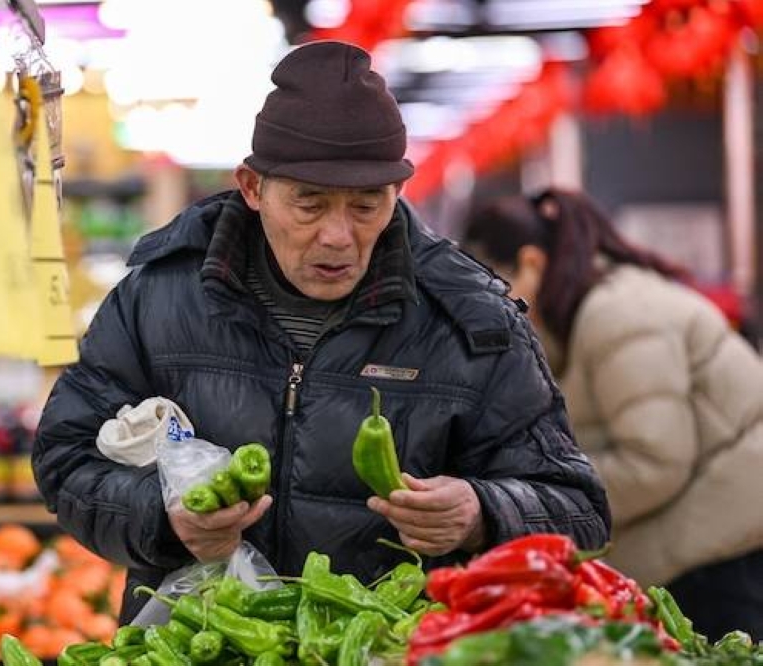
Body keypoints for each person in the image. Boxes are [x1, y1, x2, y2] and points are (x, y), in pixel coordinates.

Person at [33, 41, 610, 623]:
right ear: (253, 188)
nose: (338, 236)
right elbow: (65, 454)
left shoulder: (471, 322)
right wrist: (163, 520)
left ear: (398, 194)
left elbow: (579, 511)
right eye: (310, 204)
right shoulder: (158, 297)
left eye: (366, 206)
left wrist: (485, 511)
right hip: (195, 642)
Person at [462, 188, 763, 640]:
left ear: (531, 265)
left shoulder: (619, 318)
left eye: (492, 286)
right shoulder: (578, 321)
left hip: (728, 547)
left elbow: (654, 462)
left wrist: (544, 501)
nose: (487, 306)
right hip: (713, 537)